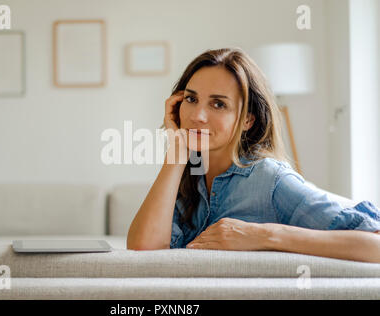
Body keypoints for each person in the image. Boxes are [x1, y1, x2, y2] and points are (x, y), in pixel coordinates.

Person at [126, 47, 380, 263]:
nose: (197, 116)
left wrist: (263, 236)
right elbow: (143, 251)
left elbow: (375, 245)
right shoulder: (190, 174)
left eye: (218, 104)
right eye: (191, 99)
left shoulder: (269, 179)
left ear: (248, 119)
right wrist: (176, 154)